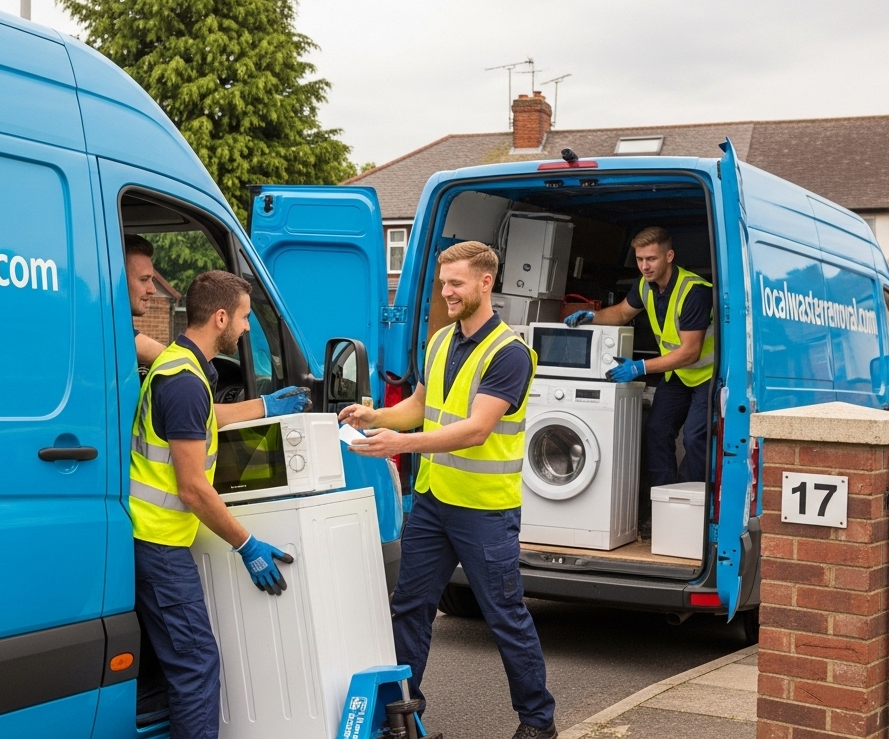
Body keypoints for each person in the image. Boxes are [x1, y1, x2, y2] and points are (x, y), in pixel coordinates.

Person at [341, 241, 557, 739]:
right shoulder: (440, 340)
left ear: (486, 283)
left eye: (456, 283)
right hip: (434, 502)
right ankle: (401, 715)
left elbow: (477, 428)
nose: (447, 292)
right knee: (409, 607)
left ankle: (537, 722)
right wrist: (375, 417)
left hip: (484, 512)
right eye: (443, 283)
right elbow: (420, 404)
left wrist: (402, 441)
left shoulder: (510, 353)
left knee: (505, 616)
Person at [130, 269, 310, 739]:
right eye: (247, 318)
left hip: (154, 541)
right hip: (161, 546)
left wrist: (266, 407)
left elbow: (200, 420)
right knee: (196, 667)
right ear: (222, 316)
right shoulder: (185, 381)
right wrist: (246, 544)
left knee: (182, 665)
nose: (248, 328)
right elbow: (192, 488)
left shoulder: (178, 366)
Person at [562, 226, 714, 522]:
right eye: (640, 259)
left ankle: (688, 511)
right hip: (677, 376)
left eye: (651, 259)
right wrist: (592, 317)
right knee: (657, 432)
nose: (645, 266)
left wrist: (639, 367)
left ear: (669, 256)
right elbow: (620, 313)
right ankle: (662, 510)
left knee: (695, 439)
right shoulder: (644, 285)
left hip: (705, 375)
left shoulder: (693, 291)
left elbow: (690, 352)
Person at [126, 234, 169, 365]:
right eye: (144, 280)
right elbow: (170, 359)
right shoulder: (98, 326)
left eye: (152, 280)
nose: (152, 290)